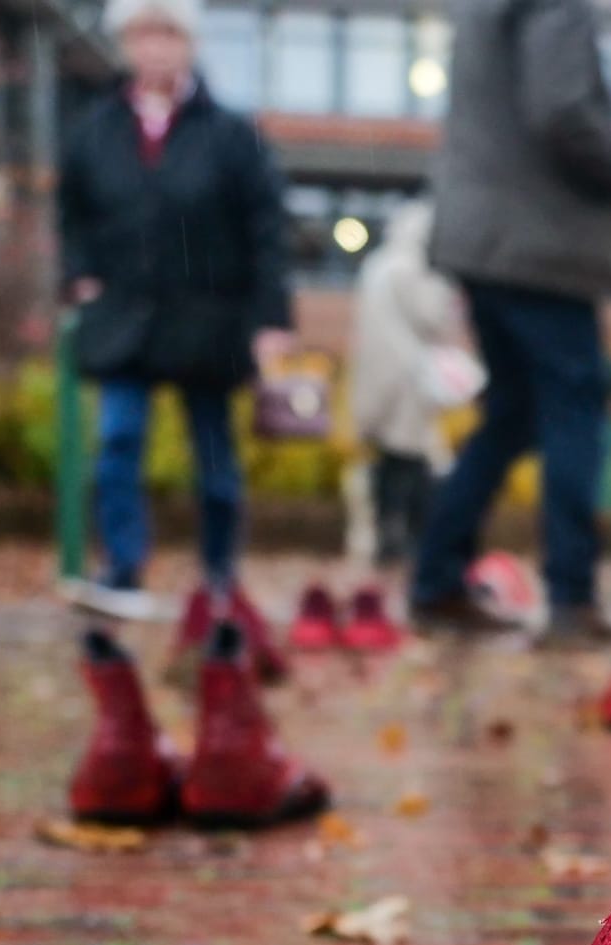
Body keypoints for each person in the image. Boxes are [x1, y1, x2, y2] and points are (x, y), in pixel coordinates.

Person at [414, 0, 611, 645]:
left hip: (486, 241)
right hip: (539, 248)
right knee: (574, 409)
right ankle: (570, 598)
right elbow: (560, 112)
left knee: (512, 416)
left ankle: (437, 583)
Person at [57, 0, 292, 621]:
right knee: (119, 442)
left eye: (168, 34)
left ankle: (219, 579)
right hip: (124, 319)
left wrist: (271, 319)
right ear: (126, 42)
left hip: (208, 323)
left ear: (187, 42)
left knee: (214, 456)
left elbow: (267, 229)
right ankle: (123, 569)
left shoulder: (232, 136)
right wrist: (79, 277)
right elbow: (74, 216)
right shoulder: (94, 130)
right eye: (144, 34)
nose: (156, 48)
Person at [349, 200, 460, 570]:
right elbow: (434, 317)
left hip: (377, 374)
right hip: (410, 376)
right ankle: (408, 538)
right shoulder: (414, 269)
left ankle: (386, 535)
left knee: (388, 460)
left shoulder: (376, 265)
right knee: (413, 461)